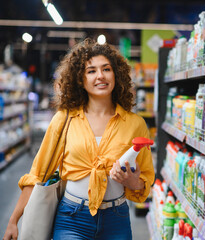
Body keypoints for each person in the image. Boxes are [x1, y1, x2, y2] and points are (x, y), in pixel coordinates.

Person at [3, 38, 155, 240]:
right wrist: (13, 220)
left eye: (106, 69)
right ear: (80, 79)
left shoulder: (135, 124)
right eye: (91, 71)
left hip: (116, 219)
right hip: (72, 219)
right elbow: (38, 173)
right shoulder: (64, 119)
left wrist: (134, 182)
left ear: (116, 75)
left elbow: (145, 180)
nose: (100, 76)